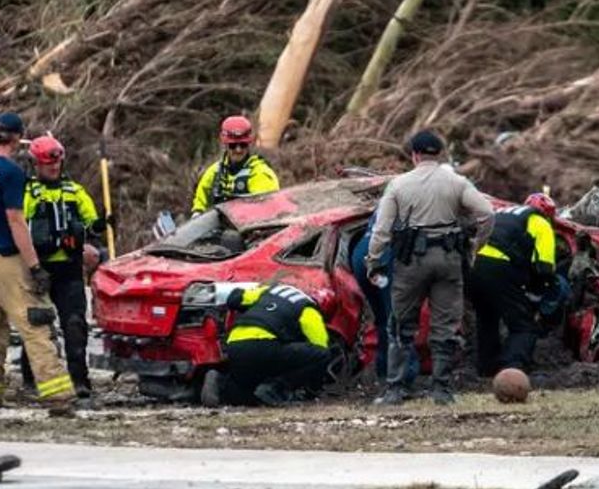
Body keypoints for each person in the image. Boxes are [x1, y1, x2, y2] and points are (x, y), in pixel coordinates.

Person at [366, 131, 493, 406]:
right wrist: (474, 246)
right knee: (445, 326)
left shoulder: (399, 185)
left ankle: (395, 389)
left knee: (401, 324)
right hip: (448, 259)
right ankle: (442, 390)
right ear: (440, 154)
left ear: (414, 155)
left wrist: (373, 260)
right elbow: (488, 213)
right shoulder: (457, 182)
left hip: (410, 262)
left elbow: (381, 230)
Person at [0, 113, 75, 413]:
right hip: (8, 259)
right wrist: (35, 266)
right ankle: (59, 397)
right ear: (17, 137)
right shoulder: (11, 173)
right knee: (37, 325)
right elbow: (16, 220)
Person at [18, 135, 108, 400]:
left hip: (69, 269)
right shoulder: (28, 194)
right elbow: (19, 227)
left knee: (75, 324)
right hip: (39, 268)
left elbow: (90, 224)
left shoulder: (75, 192)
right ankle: (31, 380)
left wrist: (97, 230)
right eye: (48, 164)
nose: (54, 168)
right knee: (37, 326)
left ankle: (80, 381)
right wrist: (32, 267)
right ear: (36, 164)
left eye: (57, 163)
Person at [468, 193, 558, 376]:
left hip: (473, 266)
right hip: (499, 267)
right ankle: (512, 368)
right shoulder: (540, 222)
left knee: (487, 320)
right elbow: (545, 267)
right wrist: (536, 297)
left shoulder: (502, 213)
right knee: (523, 326)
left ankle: (486, 369)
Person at [200, 283, 333, 407]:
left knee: (247, 391)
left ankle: (220, 383)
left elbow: (235, 297)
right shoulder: (308, 308)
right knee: (321, 355)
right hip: (264, 345)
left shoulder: (268, 291)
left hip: (234, 346)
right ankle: (277, 389)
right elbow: (320, 347)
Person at [350, 211, 419, 388]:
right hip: (384, 254)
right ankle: (403, 378)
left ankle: (385, 372)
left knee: (383, 318)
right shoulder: (418, 198)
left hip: (362, 254)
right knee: (398, 318)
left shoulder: (392, 197)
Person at [191, 115, 279, 215]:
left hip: (249, 227)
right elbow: (200, 200)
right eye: (233, 145)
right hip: (218, 226)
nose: (238, 150)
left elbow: (267, 209)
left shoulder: (260, 173)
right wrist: (197, 212)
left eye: (243, 145)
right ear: (225, 144)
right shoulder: (215, 171)